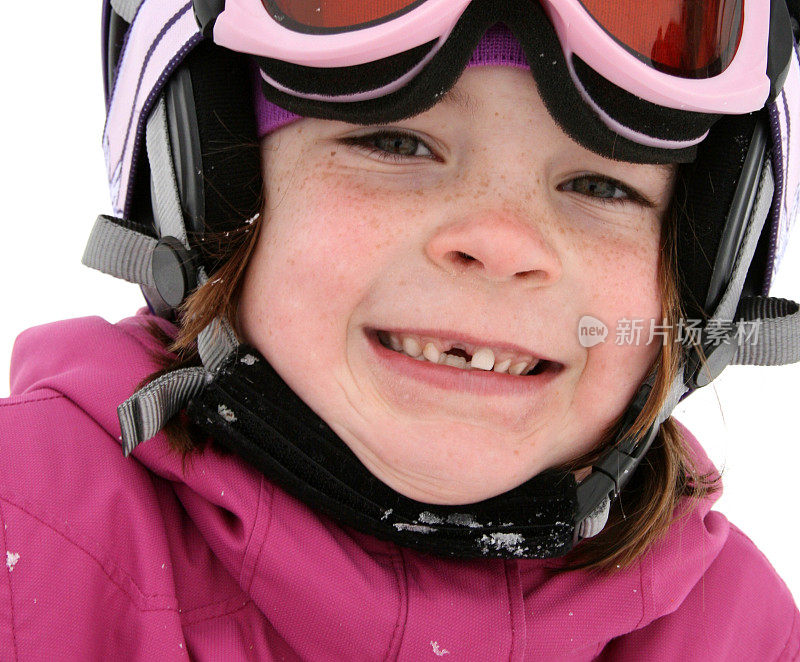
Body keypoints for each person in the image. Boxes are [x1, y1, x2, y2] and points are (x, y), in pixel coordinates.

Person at [1, 0, 799, 658]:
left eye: (600, 185)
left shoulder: (738, 637)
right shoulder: (33, 533)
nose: (500, 243)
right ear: (209, 198)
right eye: (395, 143)